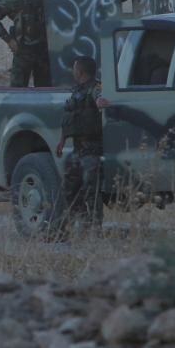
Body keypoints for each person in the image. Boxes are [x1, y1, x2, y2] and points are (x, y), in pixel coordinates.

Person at [54, 56, 109, 233]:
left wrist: (101, 101)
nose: (73, 71)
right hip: (78, 149)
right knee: (69, 187)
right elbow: (70, 116)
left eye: (75, 68)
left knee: (90, 190)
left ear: (81, 71)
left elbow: (99, 97)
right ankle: (76, 222)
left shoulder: (95, 88)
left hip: (92, 149)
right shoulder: (77, 91)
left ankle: (93, 228)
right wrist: (62, 139)